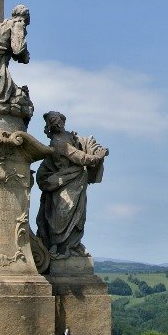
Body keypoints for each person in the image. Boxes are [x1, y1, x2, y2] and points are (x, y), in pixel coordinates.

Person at [35, 111, 108, 259]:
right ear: (49, 126)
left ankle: (71, 245)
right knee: (61, 214)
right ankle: (57, 246)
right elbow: (78, 157)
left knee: (78, 214)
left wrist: (91, 146)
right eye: (52, 121)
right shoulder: (58, 141)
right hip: (63, 181)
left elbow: (81, 146)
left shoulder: (69, 136)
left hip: (76, 181)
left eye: (57, 119)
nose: (56, 123)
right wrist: (96, 157)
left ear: (62, 120)